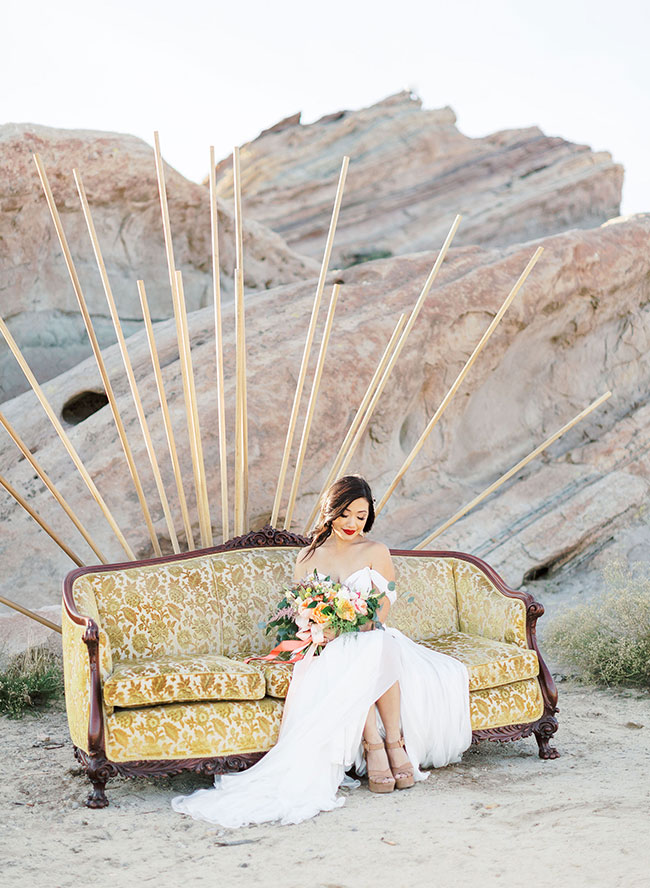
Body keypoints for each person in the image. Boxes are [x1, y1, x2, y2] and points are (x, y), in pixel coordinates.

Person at [171, 475, 471, 827]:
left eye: (360, 516)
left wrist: (344, 625)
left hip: (372, 634)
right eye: (345, 514)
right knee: (351, 653)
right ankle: (375, 745)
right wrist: (319, 627)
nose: (352, 524)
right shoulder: (309, 556)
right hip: (325, 646)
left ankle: (394, 744)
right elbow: (303, 613)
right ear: (331, 512)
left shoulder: (376, 551)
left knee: (378, 642)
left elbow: (381, 613)